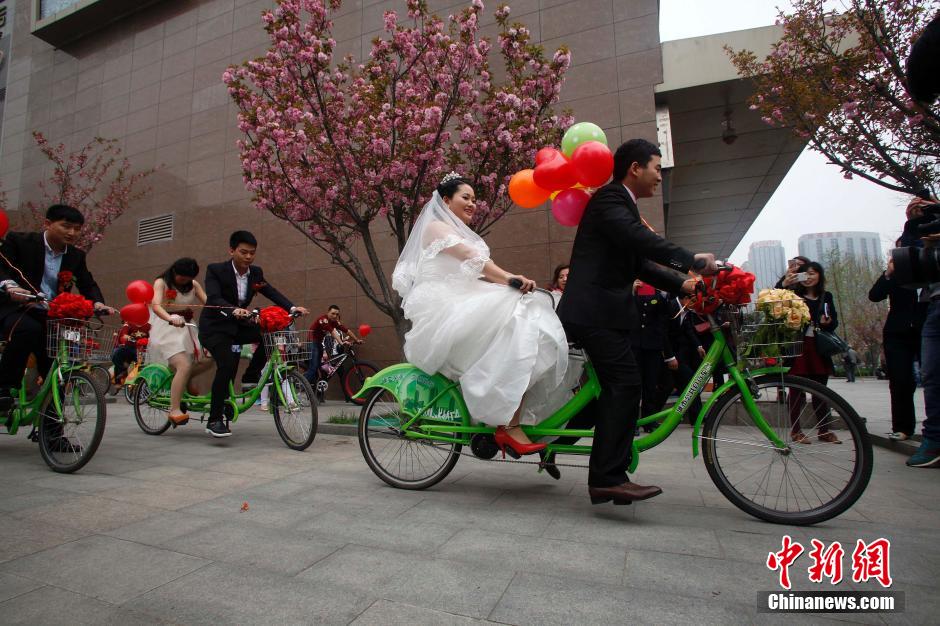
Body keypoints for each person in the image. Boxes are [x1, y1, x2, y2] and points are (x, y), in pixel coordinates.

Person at [558, 138, 717, 505]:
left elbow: (640, 265)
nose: (659, 176)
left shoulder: (620, 204)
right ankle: (607, 478)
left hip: (604, 314)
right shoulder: (611, 200)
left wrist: (684, 283)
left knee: (613, 390)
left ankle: (577, 452)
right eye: (657, 168)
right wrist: (691, 259)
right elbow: (639, 241)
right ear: (635, 168)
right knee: (626, 384)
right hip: (593, 312)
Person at [392, 172, 568, 456]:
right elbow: (473, 260)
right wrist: (511, 278)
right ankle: (505, 423)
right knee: (519, 322)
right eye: (466, 197)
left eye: (475, 199)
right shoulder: (435, 227)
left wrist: (510, 280)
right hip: (446, 307)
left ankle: (508, 419)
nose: (473, 203)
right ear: (446, 200)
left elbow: (484, 269)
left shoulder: (462, 231)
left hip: (466, 297)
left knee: (526, 329)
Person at [0, 205, 117, 425]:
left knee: (58, 366)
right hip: (17, 308)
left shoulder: (75, 256)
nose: (72, 233)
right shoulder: (20, 241)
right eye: (66, 226)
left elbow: (87, 283)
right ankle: (5, 388)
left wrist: (98, 303)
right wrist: (9, 286)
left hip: (51, 316)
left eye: (77, 228)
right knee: (28, 330)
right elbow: (2, 267)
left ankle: (53, 434)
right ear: (47, 224)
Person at [198, 231, 309, 438]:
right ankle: (214, 420)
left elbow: (271, 292)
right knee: (227, 365)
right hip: (215, 327)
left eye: (252, 253)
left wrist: (292, 307)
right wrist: (232, 309)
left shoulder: (255, 273)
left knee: (266, 334)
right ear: (231, 251)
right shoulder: (216, 270)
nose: (248, 257)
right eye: (243, 252)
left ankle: (251, 375)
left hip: (238, 325)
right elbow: (213, 297)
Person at [869, 251, 926, 441]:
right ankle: (902, 427)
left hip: (926, 327)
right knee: (900, 381)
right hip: (897, 331)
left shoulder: (930, 269)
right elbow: (875, 295)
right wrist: (888, 273)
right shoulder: (897, 275)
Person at [149, 258, 213, 426]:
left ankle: (186, 379)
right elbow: (156, 305)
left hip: (187, 327)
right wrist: (170, 317)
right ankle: (175, 409)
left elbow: (209, 302)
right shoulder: (161, 282)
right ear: (174, 272)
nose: (185, 281)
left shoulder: (194, 284)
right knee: (183, 364)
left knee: (209, 358)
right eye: (182, 277)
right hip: (167, 327)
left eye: (188, 278)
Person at [787, 261, 841, 444]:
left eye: (812, 273)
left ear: (819, 275)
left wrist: (828, 322)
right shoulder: (793, 295)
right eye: (805, 274)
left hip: (818, 347)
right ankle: (796, 431)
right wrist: (785, 282)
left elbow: (834, 323)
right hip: (799, 346)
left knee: (821, 391)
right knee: (795, 391)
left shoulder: (827, 296)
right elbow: (775, 299)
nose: (809, 277)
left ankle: (824, 430)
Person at [630, 280, 671, 433]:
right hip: (634, 346)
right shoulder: (632, 292)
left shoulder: (660, 296)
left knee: (651, 386)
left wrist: (662, 292)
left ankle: (649, 421)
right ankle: (631, 423)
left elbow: (664, 318)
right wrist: (632, 291)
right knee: (634, 386)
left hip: (652, 347)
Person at [304, 305, 362, 386]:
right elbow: (333, 332)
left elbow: (346, 330)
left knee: (319, 368)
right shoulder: (323, 320)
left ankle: (316, 392)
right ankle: (301, 384)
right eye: (333, 313)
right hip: (312, 343)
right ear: (328, 312)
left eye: (337, 314)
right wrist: (341, 343)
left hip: (318, 343)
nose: (335, 316)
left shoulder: (334, 322)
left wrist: (357, 340)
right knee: (313, 368)